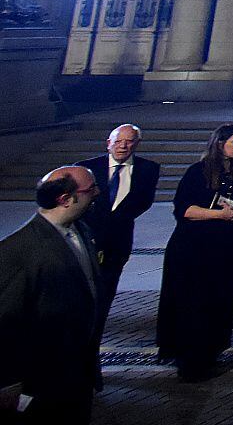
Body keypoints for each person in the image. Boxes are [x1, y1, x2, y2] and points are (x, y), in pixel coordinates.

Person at [156, 125, 233, 380]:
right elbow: (184, 209)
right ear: (220, 143)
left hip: (225, 249)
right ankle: (189, 360)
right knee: (192, 303)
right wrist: (219, 214)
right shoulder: (197, 172)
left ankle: (211, 351)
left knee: (219, 302)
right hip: (193, 248)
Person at [0, 168, 102, 420]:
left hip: (78, 370)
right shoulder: (18, 251)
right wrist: (9, 381)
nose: (97, 193)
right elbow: (6, 322)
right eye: (90, 189)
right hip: (45, 376)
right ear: (65, 199)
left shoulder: (82, 230)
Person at [80, 123, 159, 338]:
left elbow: (143, 202)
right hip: (88, 239)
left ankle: (97, 325)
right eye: (118, 142)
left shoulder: (148, 169)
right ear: (108, 144)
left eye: (128, 142)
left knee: (108, 285)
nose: (123, 146)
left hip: (119, 240)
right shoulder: (87, 168)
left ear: (137, 144)